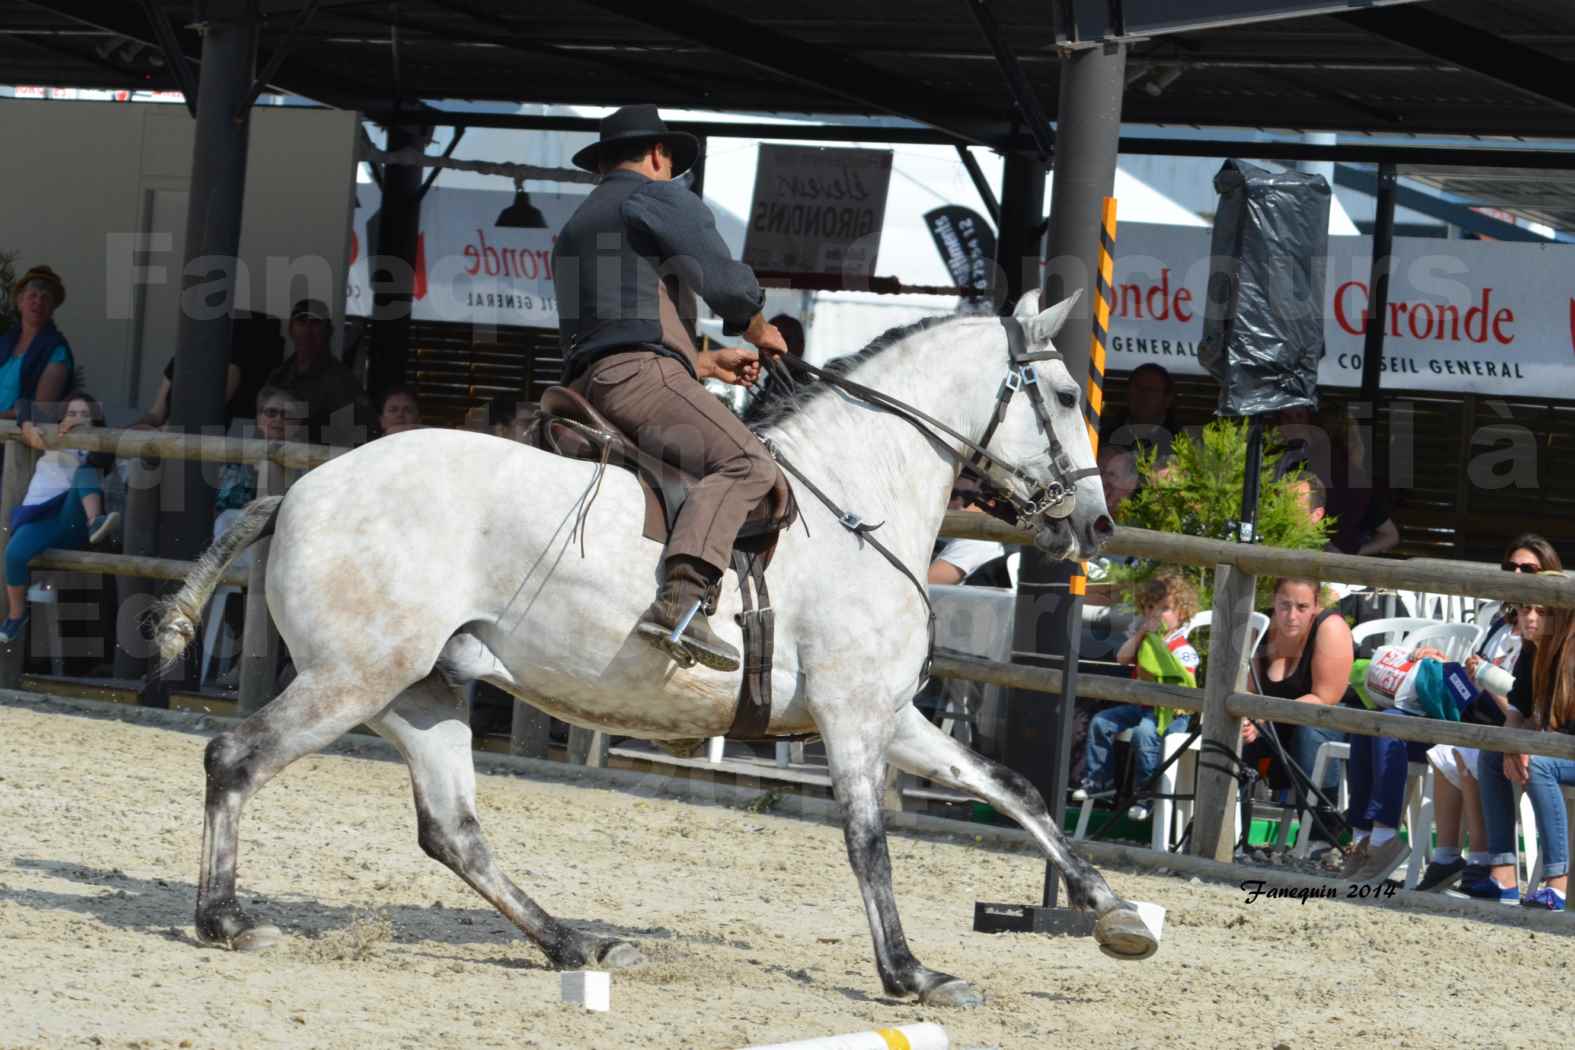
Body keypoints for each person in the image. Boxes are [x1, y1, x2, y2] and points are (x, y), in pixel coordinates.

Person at [552, 104, 790, 672]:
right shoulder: (657, 196)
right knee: (749, 465)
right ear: (658, 155)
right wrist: (761, 331)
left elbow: (616, 327)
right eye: (670, 163)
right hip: (640, 380)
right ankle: (681, 604)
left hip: (590, 383)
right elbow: (723, 281)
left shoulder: (578, 223)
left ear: (602, 164)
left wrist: (705, 363)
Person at [1416, 534, 1563, 892]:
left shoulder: (1563, 646)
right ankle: (1480, 865)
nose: (1529, 616)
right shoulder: (1516, 635)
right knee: (1477, 751)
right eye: (1509, 567)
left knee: (1503, 754)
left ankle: (1553, 880)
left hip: (1555, 742)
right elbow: (1519, 707)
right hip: (1513, 727)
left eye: (1527, 569)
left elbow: (1537, 714)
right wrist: (1512, 741)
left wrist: (1487, 680)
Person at [1074, 571, 1201, 822]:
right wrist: (1141, 635)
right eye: (1151, 608)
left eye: (1164, 609)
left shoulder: (1181, 648)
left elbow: (1186, 682)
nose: (1156, 615)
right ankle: (1098, 780)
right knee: (1102, 721)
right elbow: (1122, 658)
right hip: (1143, 707)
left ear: (1182, 614)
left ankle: (1147, 793)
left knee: (1145, 733)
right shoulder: (1145, 641)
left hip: (1170, 714)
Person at [1242, 577, 1359, 848]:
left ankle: (1322, 833)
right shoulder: (1262, 628)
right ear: (1273, 602)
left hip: (1331, 719)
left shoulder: (1330, 628)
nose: (1291, 616)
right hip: (1274, 719)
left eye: (1302, 607)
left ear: (1317, 605)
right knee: (1233, 729)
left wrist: (1263, 716)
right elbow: (1246, 690)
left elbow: (1325, 697)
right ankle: (1228, 831)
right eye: (1284, 605)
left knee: (1308, 731)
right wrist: (1247, 717)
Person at [0, 391, 116, 643]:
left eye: (85, 415)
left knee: (85, 472)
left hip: (73, 519)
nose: (77, 418)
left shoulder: (97, 447)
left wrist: (84, 435)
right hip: (41, 516)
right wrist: (29, 426)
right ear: (60, 416)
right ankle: (16, 615)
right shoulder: (50, 433)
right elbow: (22, 403)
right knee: (13, 554)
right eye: (72, 413)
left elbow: (104, 459)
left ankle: (96, 520)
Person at [263, 299, 368, 444]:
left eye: (315, 323)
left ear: (328, 330)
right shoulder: (278, 376)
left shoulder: (343, 382)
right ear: (290, 329)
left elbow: (355, 438)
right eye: (301, 322)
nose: (307, 329)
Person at [1, 265, 74, 424]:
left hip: (18, 441)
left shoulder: (56, 351)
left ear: (52, 308)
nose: (38, 301)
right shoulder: (5, 342)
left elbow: (41, 410)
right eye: (32, 295)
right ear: (20, 302)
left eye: (45, 297)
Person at [1101, 363, 1181, 461]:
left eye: (1151, 390)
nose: (1143, 395)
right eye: (1137, 388)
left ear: (1167, 399)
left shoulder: (1179, 442)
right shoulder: (1106, 436)